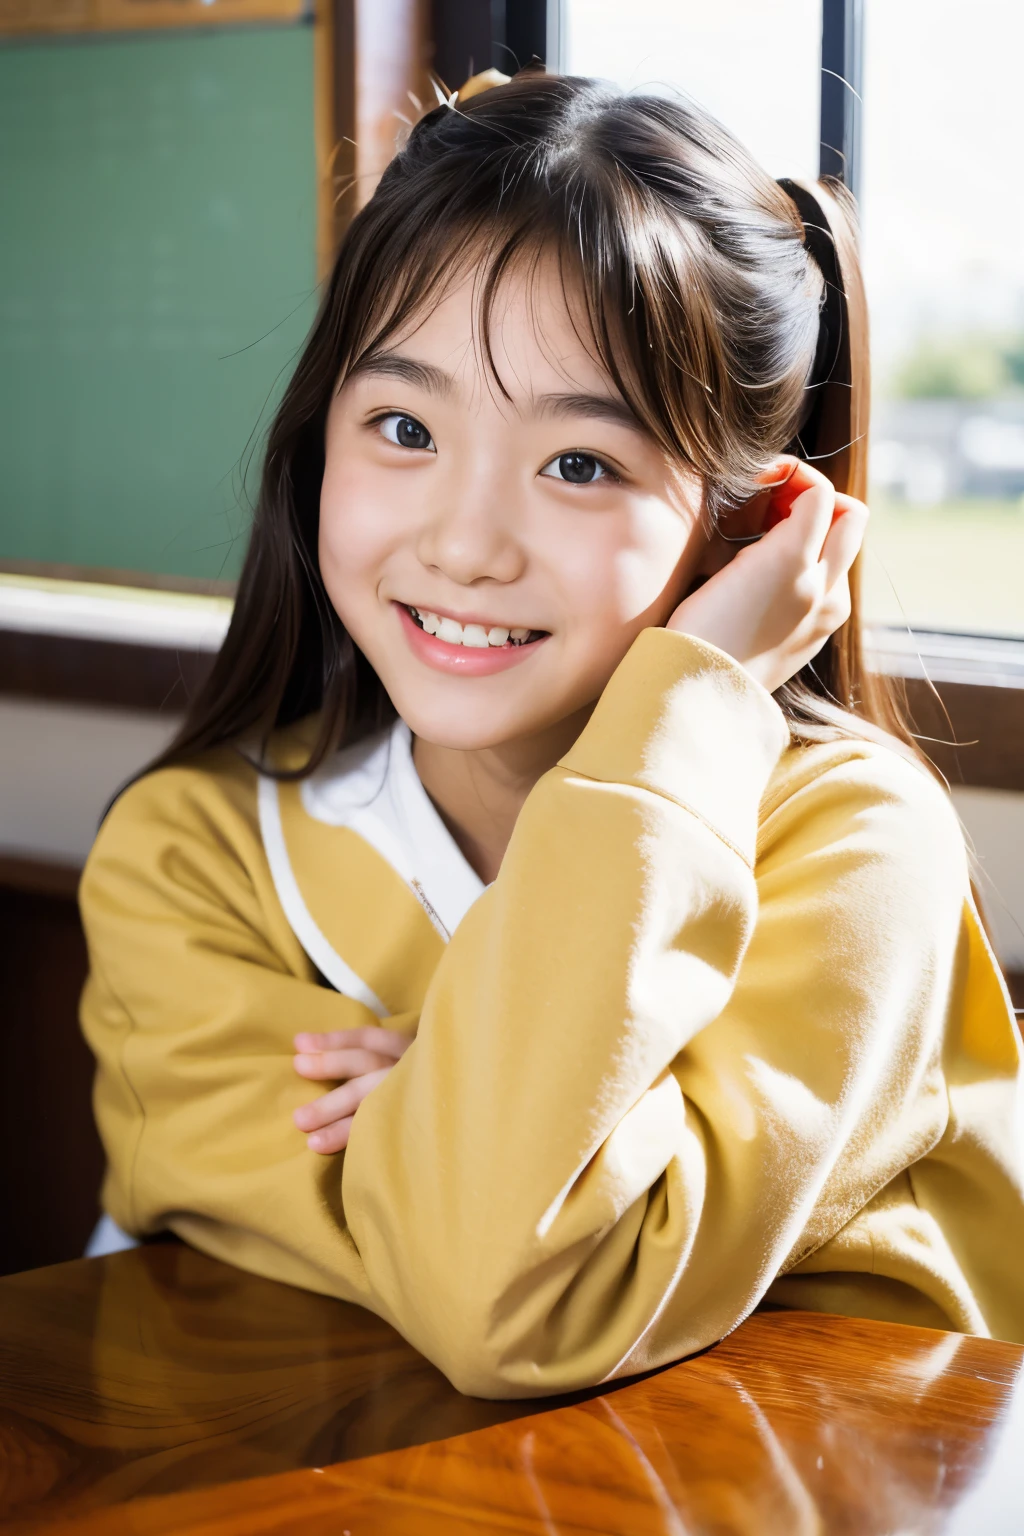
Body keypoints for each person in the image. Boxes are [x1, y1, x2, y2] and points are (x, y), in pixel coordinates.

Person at [79, 72, 1024, 1398]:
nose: (463, 544)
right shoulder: (194, 855)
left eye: (580, 464)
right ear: (317, 443)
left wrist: (455, 1121)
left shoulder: (854, 844)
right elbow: (518, 1283)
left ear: (751, 529)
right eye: (403, 427)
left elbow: (503, 1299)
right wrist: (516, 1138)